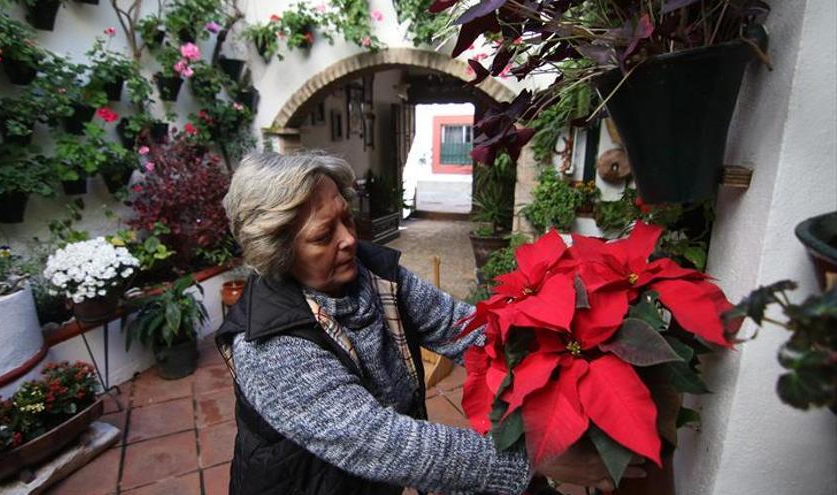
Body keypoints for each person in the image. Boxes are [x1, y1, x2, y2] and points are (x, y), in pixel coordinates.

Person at [217, 151, 645, 495]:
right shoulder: (269, 344)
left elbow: (463, 327)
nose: (349, 238)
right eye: (323, 235)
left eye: (346, 218)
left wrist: (571, 364)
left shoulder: (374, 275)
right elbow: (383, 443)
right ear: (278, 251)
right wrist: (536, 457)